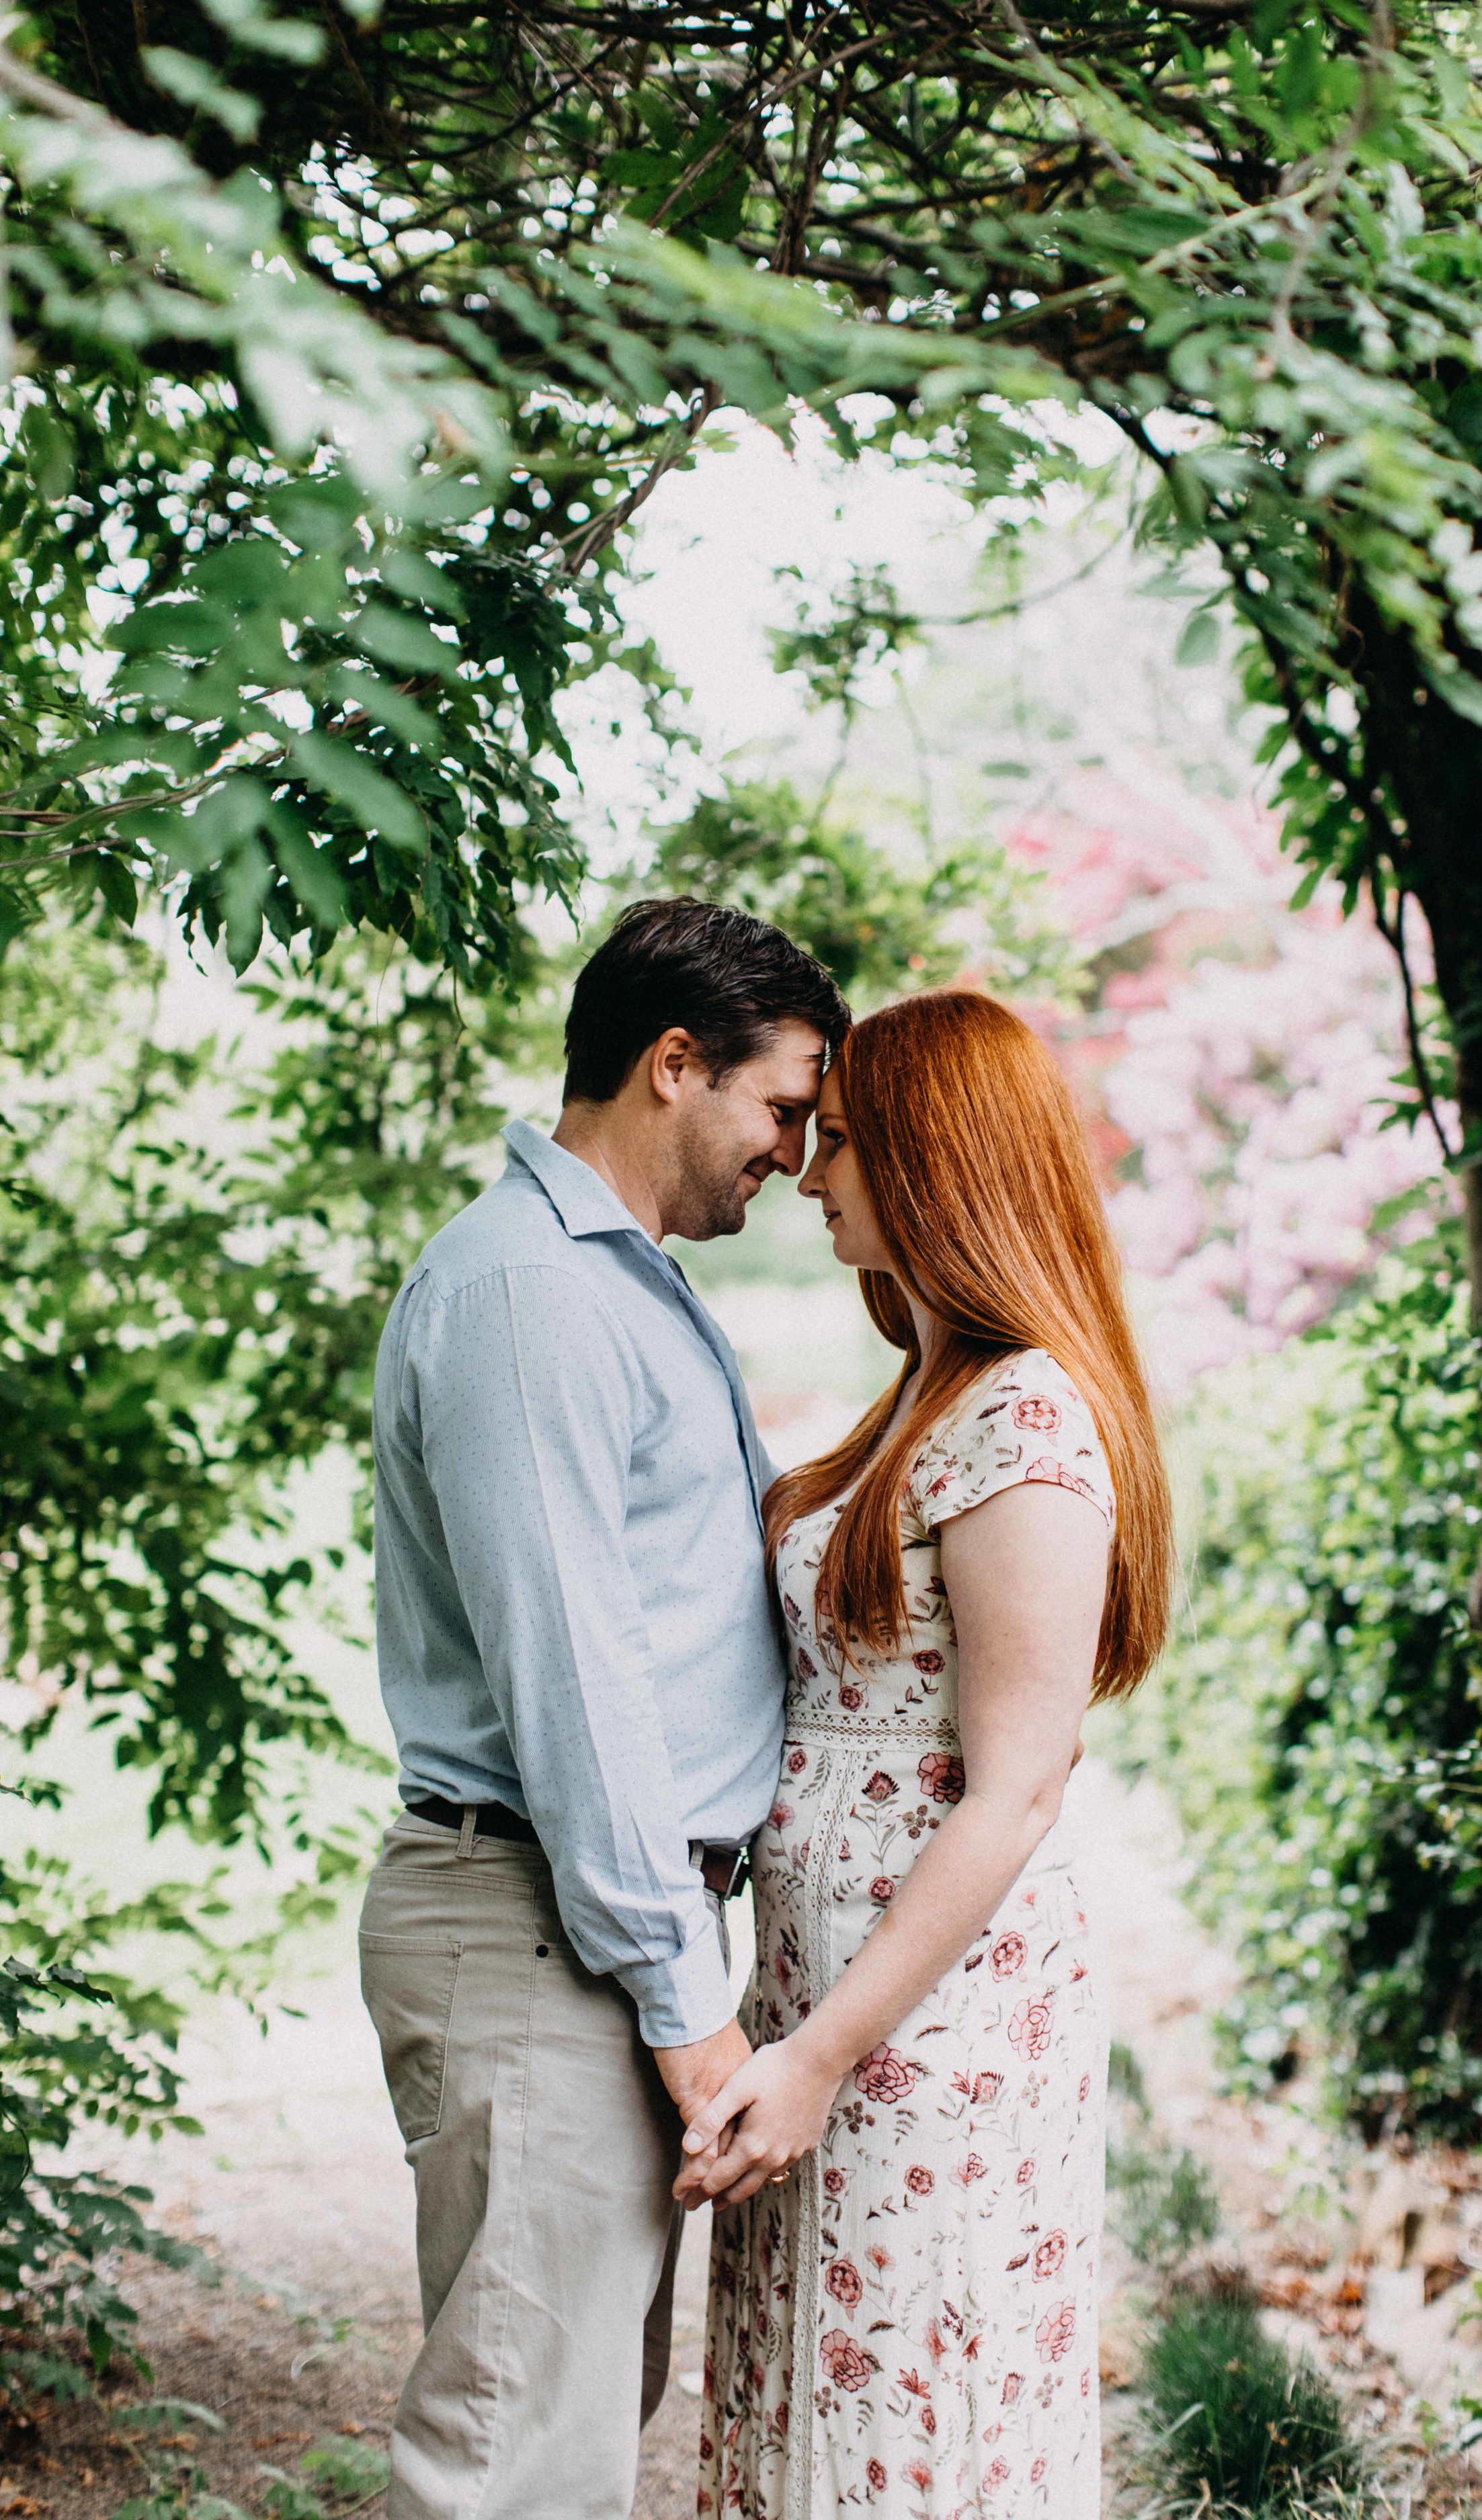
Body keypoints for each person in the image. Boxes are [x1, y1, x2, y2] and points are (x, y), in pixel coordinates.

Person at [358, 898, 850, 2520]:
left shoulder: (619, 1284)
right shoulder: (531, 1297)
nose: (791, 1152)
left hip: (581, 1927)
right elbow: (572, 1682)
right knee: (513, 2457)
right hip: (536, 1928)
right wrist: (684, 2008)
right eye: (782, 1106)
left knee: (570, 2427)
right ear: (669, 1064)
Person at [677, 989, 1174, 2520]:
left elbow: (1018, 1781)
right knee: (812, 2391)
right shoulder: (929, 1394)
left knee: (903, 2409)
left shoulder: (1025, 1417)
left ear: (934, 1160)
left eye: (844, 1144)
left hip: (922, 2032)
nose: (812, 1174)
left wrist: (821, 2055)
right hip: (824, 2005)